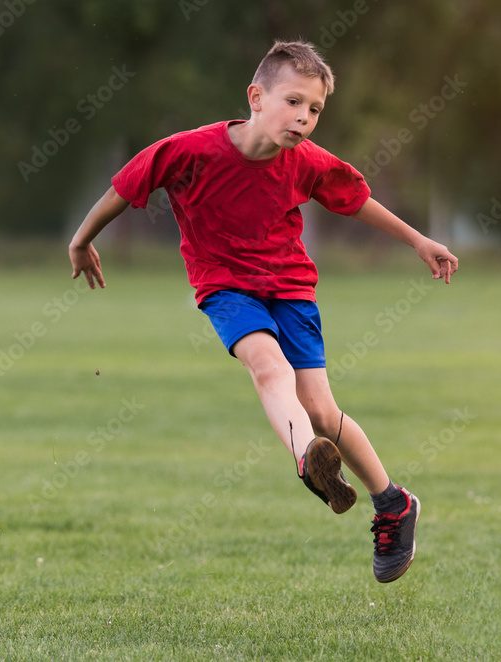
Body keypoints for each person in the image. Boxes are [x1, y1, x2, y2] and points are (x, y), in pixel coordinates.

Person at [68, 39, 458, 583]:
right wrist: (83, 239)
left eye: (315, 109)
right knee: (268, 368)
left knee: (322, 410)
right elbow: (125, 188)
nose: (304, 118)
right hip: (225, 287)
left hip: (291, 287)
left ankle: (393, 504)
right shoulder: (188, 151)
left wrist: (419, 241)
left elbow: (356, 200)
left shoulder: (306, 162)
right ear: (256, 96)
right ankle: (308, 460)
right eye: (294, 102)